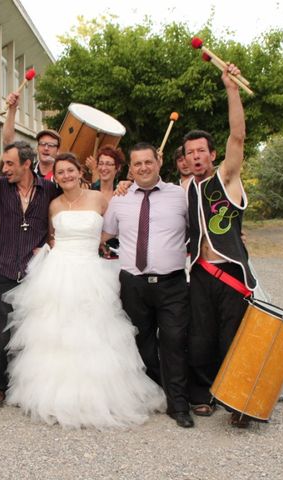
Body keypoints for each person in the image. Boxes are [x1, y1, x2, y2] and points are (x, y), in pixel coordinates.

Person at [4, 153, 165, 428]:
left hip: (91, 270)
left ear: (80, 172)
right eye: (61, 172)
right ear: (56, 176)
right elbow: (51, 238)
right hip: (57, 271)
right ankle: (54, 395)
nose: (66, 175)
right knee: (56, 333)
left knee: (92, 333)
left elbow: (118, 226)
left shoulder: (100, 199)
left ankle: (96, 396)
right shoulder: (53, 204)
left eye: (70, 170)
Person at [183, 64, 256, 428]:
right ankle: (204, 393)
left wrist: (231, 89)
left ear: (212, 155)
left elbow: (238, 137)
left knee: (233, 338)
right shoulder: (185, 188)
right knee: (200, 337)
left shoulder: (226, 179)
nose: (196, 157)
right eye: (190, 153)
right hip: (199, 272)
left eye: (202, 151)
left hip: (230, 273)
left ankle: (240, 400)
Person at [102, 142, 194, 428]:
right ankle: (155, 391)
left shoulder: (180, 196)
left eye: (148, 162)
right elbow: (105, 233)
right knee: (141, 343)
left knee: (174, 342)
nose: (143, 167)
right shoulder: (120, 198)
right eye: (137, 163)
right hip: (133, 284)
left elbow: (198, 229)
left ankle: (178, 405)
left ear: (158, 162)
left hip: (172, 283)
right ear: (130, 168)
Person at [0, 141, 59, 410]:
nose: (4, 168)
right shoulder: (0, 187)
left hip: (35, 273)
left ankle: (28, 389)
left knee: (33, 335)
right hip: (3, 268)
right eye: (4, 163)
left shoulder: (50, 189)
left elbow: (68, 212)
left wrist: (51, 246)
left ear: (27, 164)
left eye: (10, 164)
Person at [2, 91, 60, 180]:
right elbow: (8, 142)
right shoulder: (27, 169)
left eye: (51, 145)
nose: (46, 148)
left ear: (58, 150)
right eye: (42, 144)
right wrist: (12, 109)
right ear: (37, 147)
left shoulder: (63, 175)